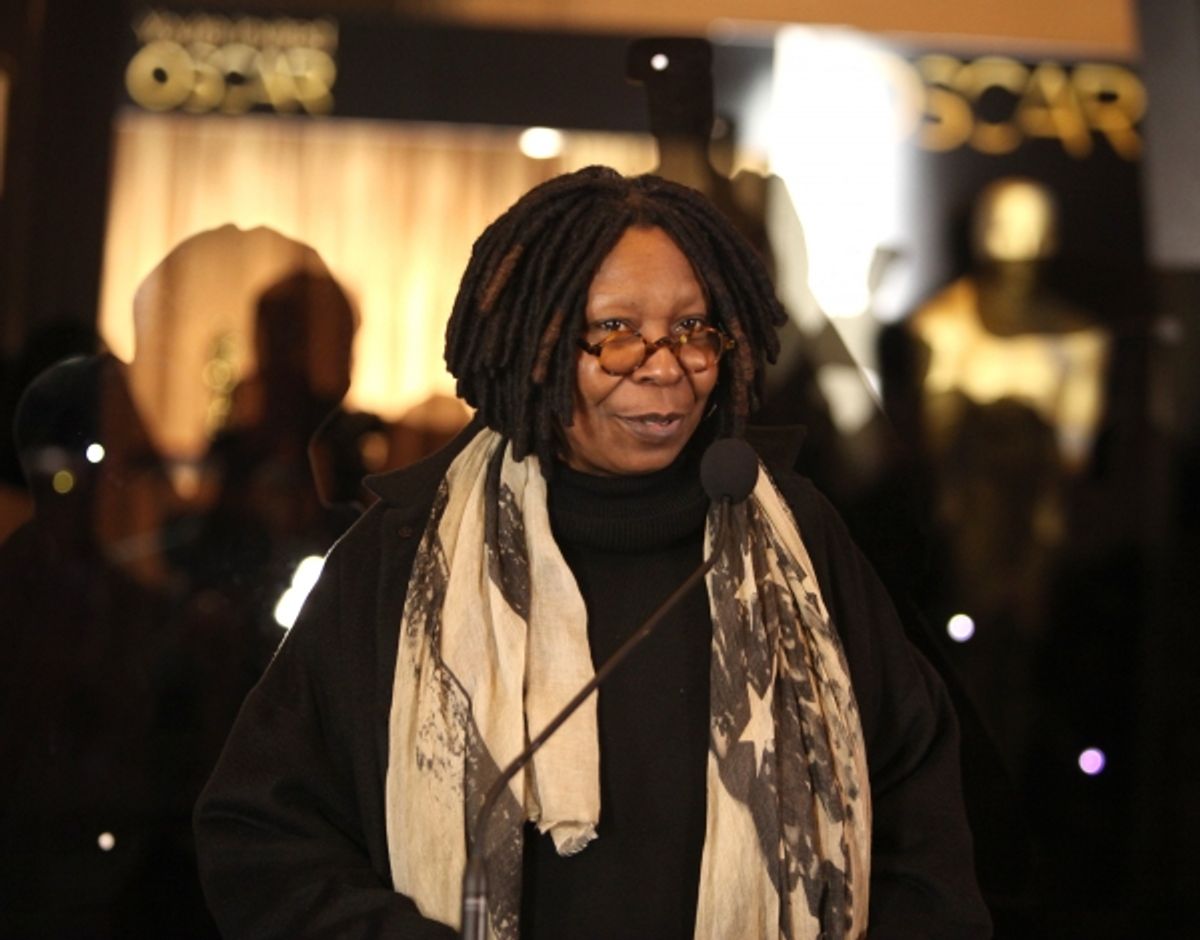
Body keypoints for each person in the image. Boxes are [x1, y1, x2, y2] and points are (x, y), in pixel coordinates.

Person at [194, 166, 992, 939]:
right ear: (533, 343)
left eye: (693, 330)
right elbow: (264, 836)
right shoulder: (403, 554)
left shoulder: (800, 540)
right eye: (616, 332)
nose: (666, 368)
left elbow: (923, 826)